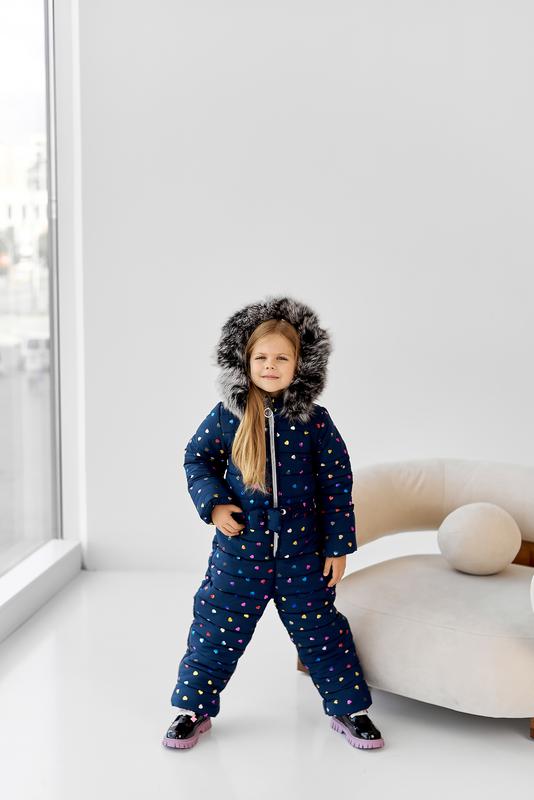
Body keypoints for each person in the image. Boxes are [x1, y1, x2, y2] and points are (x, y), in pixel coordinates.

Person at [162, 295, 385, 751]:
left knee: (322, 633)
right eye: (261, 357)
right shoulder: (227, 417)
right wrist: (215, 506)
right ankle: (193, 709)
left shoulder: (315, 423)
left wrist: (337, 547)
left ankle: (349, 708)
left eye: (282, 358)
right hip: (239, 555)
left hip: (303, 556)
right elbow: (197, 460)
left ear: (300, 365)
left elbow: (337, 486)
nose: (270, 366)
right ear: (244, 362)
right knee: (214, 632)